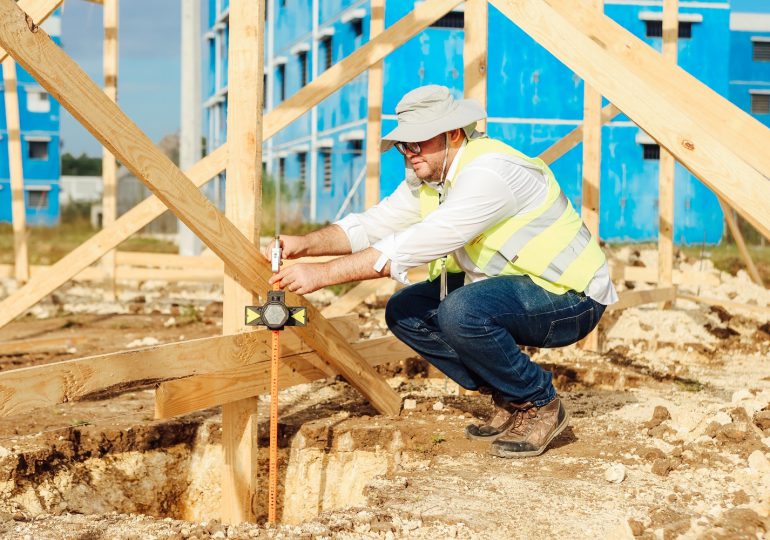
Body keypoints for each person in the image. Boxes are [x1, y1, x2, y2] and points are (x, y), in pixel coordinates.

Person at [263, 85, 617, 458]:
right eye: (404, 145)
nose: (409, 153)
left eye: (418, 142)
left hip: (571, 297)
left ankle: (539, 402)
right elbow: (371, 226)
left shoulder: (488, 174)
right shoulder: (430, 181)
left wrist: (320, 275)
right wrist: (305, 244)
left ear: (452, 134)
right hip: (518, 285)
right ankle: (511, 396)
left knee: (461, 311)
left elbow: (412, 246)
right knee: (406, 312)